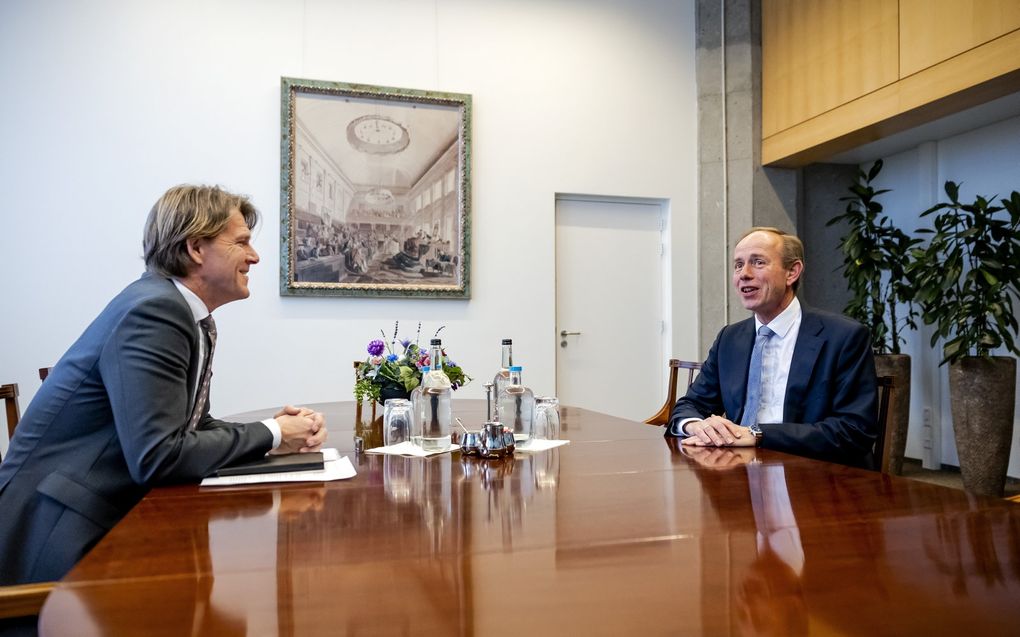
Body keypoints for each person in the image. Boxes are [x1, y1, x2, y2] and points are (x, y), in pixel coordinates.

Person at [0, 185, 327, 585]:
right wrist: (273, 432)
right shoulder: (155, 311)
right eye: (242, 242)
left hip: (103, 517)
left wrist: (277, 435)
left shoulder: (189, 315)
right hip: (58, 538)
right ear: (195, 248)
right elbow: (158, 455)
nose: (255, 256)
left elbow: (193, 426)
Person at [667, 227, 877, 467]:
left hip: (815, 473)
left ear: (792, 272)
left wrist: (757, 435)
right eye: (738, 265)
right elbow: (690, 405)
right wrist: (697, 425)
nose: (743, 274)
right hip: (738, 473)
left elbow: (853, 430)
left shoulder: (843, 337)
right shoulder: (730, 338)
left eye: (757, 262)